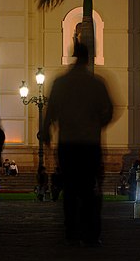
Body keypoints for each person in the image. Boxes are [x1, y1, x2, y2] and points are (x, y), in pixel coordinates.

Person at [39, 37, 116, 247]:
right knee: (91, 188)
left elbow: (50, 111)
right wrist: (97, 125)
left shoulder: (60, 83)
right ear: (87, 58)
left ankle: (71, 230)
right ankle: (92, 233)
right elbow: (110, 109)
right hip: (90, 143)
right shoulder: (96, 83)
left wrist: (46, 132)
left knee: (71, 188)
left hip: (68, 143)